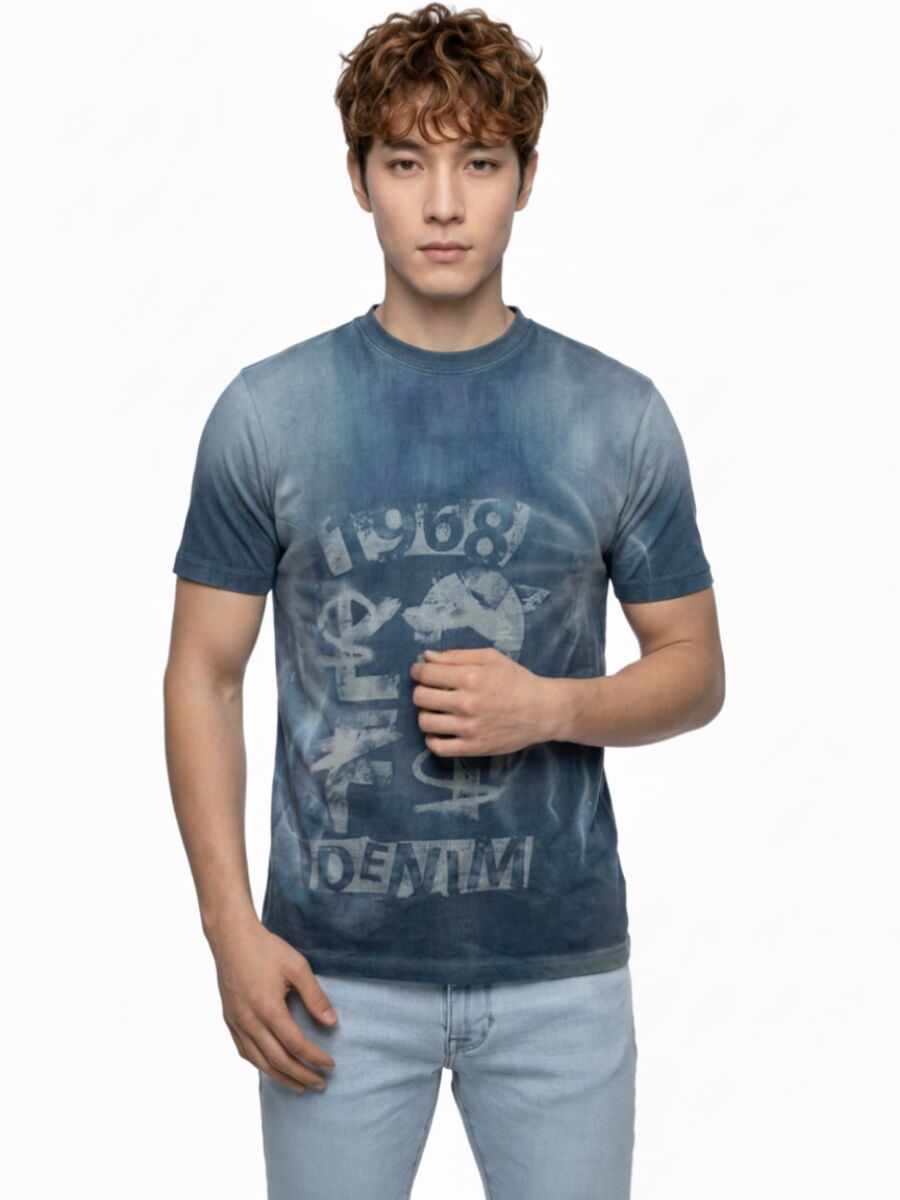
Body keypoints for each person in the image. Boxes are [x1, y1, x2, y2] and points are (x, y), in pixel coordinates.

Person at [163, 4, 725, 1197]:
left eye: (479, 162)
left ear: (526, 180)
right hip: (330, 980)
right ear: (358, 178)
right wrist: (230, 931)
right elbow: (204, 675)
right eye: (406, 162)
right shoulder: (269, 413)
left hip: (560, 975)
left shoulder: (615, 415)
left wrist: (549, 707)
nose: (443, 204)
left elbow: (694, 666)